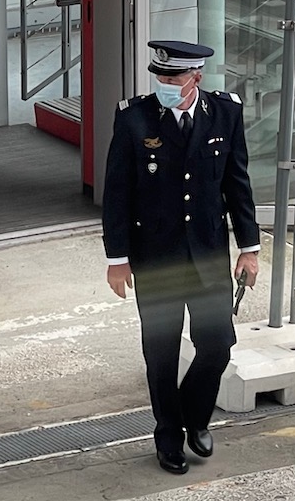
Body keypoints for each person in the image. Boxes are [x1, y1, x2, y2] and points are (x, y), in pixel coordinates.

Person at [104, 40, 260, 475]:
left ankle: (195, 416)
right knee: (161, 352)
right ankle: (168, 437)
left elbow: (237, 183)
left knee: (218, 346)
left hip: (208, 253)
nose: (165, 86)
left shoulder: (225, 112)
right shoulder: (134, 117)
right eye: (161, 78)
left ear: (196, 78)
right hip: (156, 257)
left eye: (174, 79)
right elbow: (117, 194)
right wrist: (117, 258)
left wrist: (249, 249)